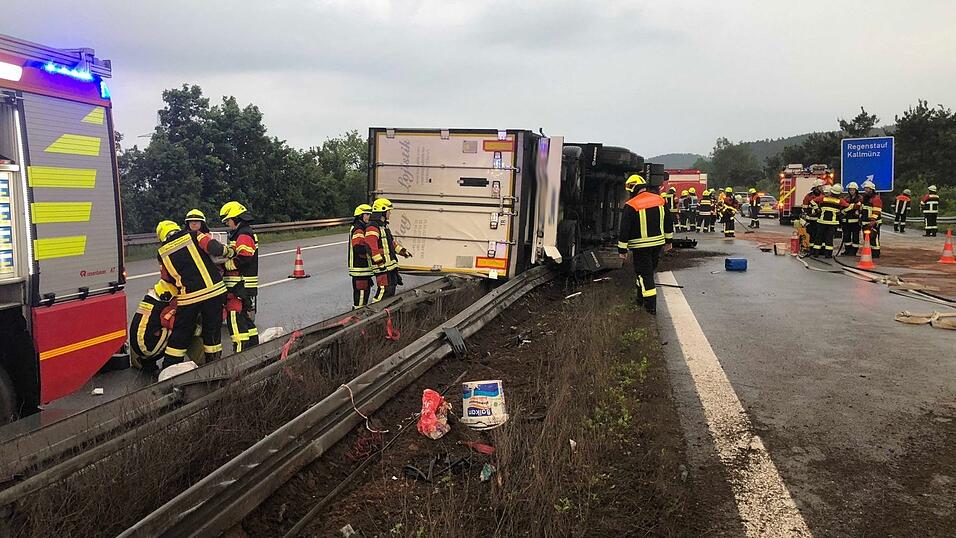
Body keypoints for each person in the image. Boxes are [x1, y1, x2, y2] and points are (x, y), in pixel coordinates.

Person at [155, 220, 229, 368]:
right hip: (213, 292)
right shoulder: (194, 235)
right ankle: (213, 364)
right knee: (212, 329)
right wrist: (228, 251)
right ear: (176, 228)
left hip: (188, 298)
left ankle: (170, 367)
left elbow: (166, 278)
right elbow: (214, 247)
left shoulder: (161, 253)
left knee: (181, 332)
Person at [618, 174, 673, 315]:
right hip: (657, 245)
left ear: (632, 188)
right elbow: (668, 222)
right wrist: (669, 241)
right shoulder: (660, 200)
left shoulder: (631, 205)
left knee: (645, 275)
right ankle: (639, 299)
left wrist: (622, 249)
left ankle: (650, 309)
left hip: (640, 247)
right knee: (646, 273)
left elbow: (624, 229)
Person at [218, 201, 259, 353]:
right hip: (242, 286)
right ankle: (254, 350)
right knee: (246, 322)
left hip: (240, 286)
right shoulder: (242, 233)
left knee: (235, 321)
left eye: (228, 220)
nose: (228, 224)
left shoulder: (244, 234)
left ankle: (240, 356)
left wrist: (226, 264)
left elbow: (245, 258)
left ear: (236, 218)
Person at [368, 198, 412, 302]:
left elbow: (391, 244)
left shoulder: (384, 226)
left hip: (389, 266)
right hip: (382, 267)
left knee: (391, 290)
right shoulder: (372, 227)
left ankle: (385, 314)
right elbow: (371, 247)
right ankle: (374, 312)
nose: (390, 213)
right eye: (388, 211)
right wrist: (380, 264)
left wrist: (403, 252)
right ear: (382, 211)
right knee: (384, 290)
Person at [129, 280, 178, 371]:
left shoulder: (150, 299)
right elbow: (171, 324)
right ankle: (169, 366)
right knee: (181, 329)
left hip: (137, 344)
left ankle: (145, 361)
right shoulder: (167, 306)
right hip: (146, 347)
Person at [348, 204, 374, 308]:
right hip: (360, 269)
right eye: (367, 214)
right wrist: (372, 251)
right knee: (361, 298)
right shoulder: (359, 229)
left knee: (362, 296)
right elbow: (358, 248)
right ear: (360, 216)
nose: (369, 217)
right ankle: (358, 318)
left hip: (362, 270)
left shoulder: (361, 227)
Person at [813, 184, 848, 258]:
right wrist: (842, 212)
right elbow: (848, 206)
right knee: (829, 239)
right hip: (832, 223)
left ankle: (816, 253)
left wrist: (817, 209)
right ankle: (828, 254)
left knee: (818, 238)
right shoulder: (840, 201)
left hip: (821, 222)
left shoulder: (823, 198)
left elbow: (813, 201)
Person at [860, 180, 883, 257]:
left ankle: (875, 253)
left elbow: (876, 211)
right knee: (866, 238)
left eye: (867, 188)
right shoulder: (864, 198)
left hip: (873, 223)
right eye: (865, 188)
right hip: (865, 222)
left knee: (874, 238)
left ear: (872, 189)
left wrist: (873, 221)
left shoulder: (876, 199)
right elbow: (862, 209)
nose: (865, 190)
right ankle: (869, 252)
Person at [842, 182, 863, 255]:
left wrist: (851, 207)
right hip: (846, 221)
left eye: (853, 190)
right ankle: (847, 250)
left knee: (855, 236)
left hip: (855, 222)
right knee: (846, 236)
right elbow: (843, 206)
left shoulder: (860, 198)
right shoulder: (846, 198)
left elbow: (859, 207)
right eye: (850, 190)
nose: (851, 191)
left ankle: (854, 251)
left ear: (856, 190)